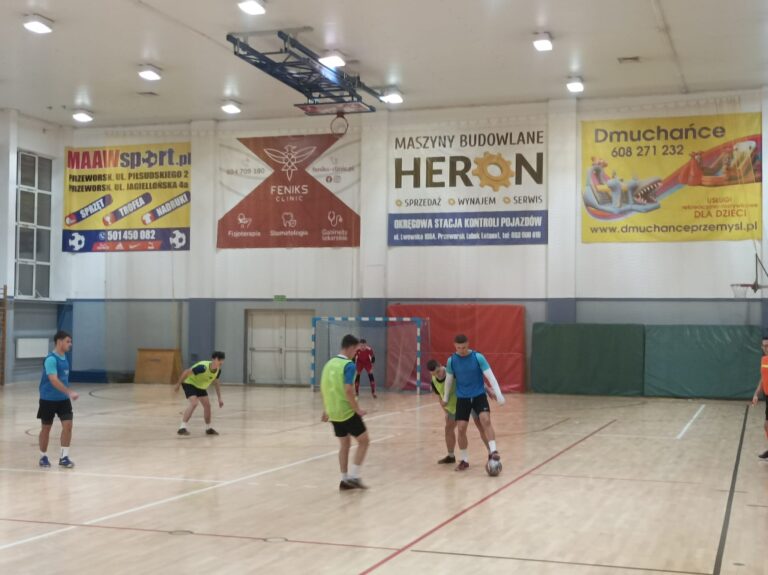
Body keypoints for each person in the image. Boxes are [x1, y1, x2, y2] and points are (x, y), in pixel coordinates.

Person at [442, 334, 505, 471]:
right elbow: (449, 381)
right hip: (462, 398)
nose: (462, 350)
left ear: (468, 344)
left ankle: (493, 451)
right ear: (455, 346)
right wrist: (445, 397)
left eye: (464, 347)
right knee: (461, 428)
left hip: (478, 395)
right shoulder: (451, 361)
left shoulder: (478, 357)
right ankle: (464, 460)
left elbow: (491, 377)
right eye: (459, 348)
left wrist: (499, 394)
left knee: (485, 420)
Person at [321, 334, 370, 490]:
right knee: (364, 441)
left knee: (344, 444)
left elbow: (325, 388)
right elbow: (348, 390)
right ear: (350, 348)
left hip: (333, 412)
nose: (356, 353)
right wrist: (357, 410)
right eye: (356, 350)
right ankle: (354, 477)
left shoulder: (329, 364)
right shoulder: (349, 365)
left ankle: (344, 480)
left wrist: (326, 409)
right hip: (346, 411)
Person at [427, 359, 489, 464]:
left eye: (438, 371)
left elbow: (472, 379)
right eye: (434, 374)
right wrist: (445, 412)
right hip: (454, 407)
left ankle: (491, 453)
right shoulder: (434, 381)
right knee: (448, 429)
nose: (438, 375)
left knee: (480, 426)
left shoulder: (453, 371)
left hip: (469, 399)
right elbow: (440, 397)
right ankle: (451, 456)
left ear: (441, 366)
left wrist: (487, 389)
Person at [38, 330, 78, 468]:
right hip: (48, 399)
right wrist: (69, 392)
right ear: (59, 342)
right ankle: (43, 456)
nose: (70, 344)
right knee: (46, 428)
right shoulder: (51, 359)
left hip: (63, 400)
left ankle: (64, 457)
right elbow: (53, 380)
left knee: (68, 426)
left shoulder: (64, 357)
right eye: (68, 341)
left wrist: (66, 394)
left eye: (70, 341)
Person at [174, 351, 225, 436]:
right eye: (219, 359)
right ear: (213, 359)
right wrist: (178, 384)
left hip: (201, 387)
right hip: (189, 383)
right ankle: (182, 428)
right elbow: (186, 372)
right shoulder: (203, 367)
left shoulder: (218, 371)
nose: (221, 362)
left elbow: (216, 383)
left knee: (207, 406)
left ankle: (208, 428)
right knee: (194, 403)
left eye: (222, 360)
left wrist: (219, 398)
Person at [750, 339, 768, 459]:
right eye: (764, 346)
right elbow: (763, 378)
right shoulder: (764, 360)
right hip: (767, 396)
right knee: (766, 426)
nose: (766, 348)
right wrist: (756, 394)